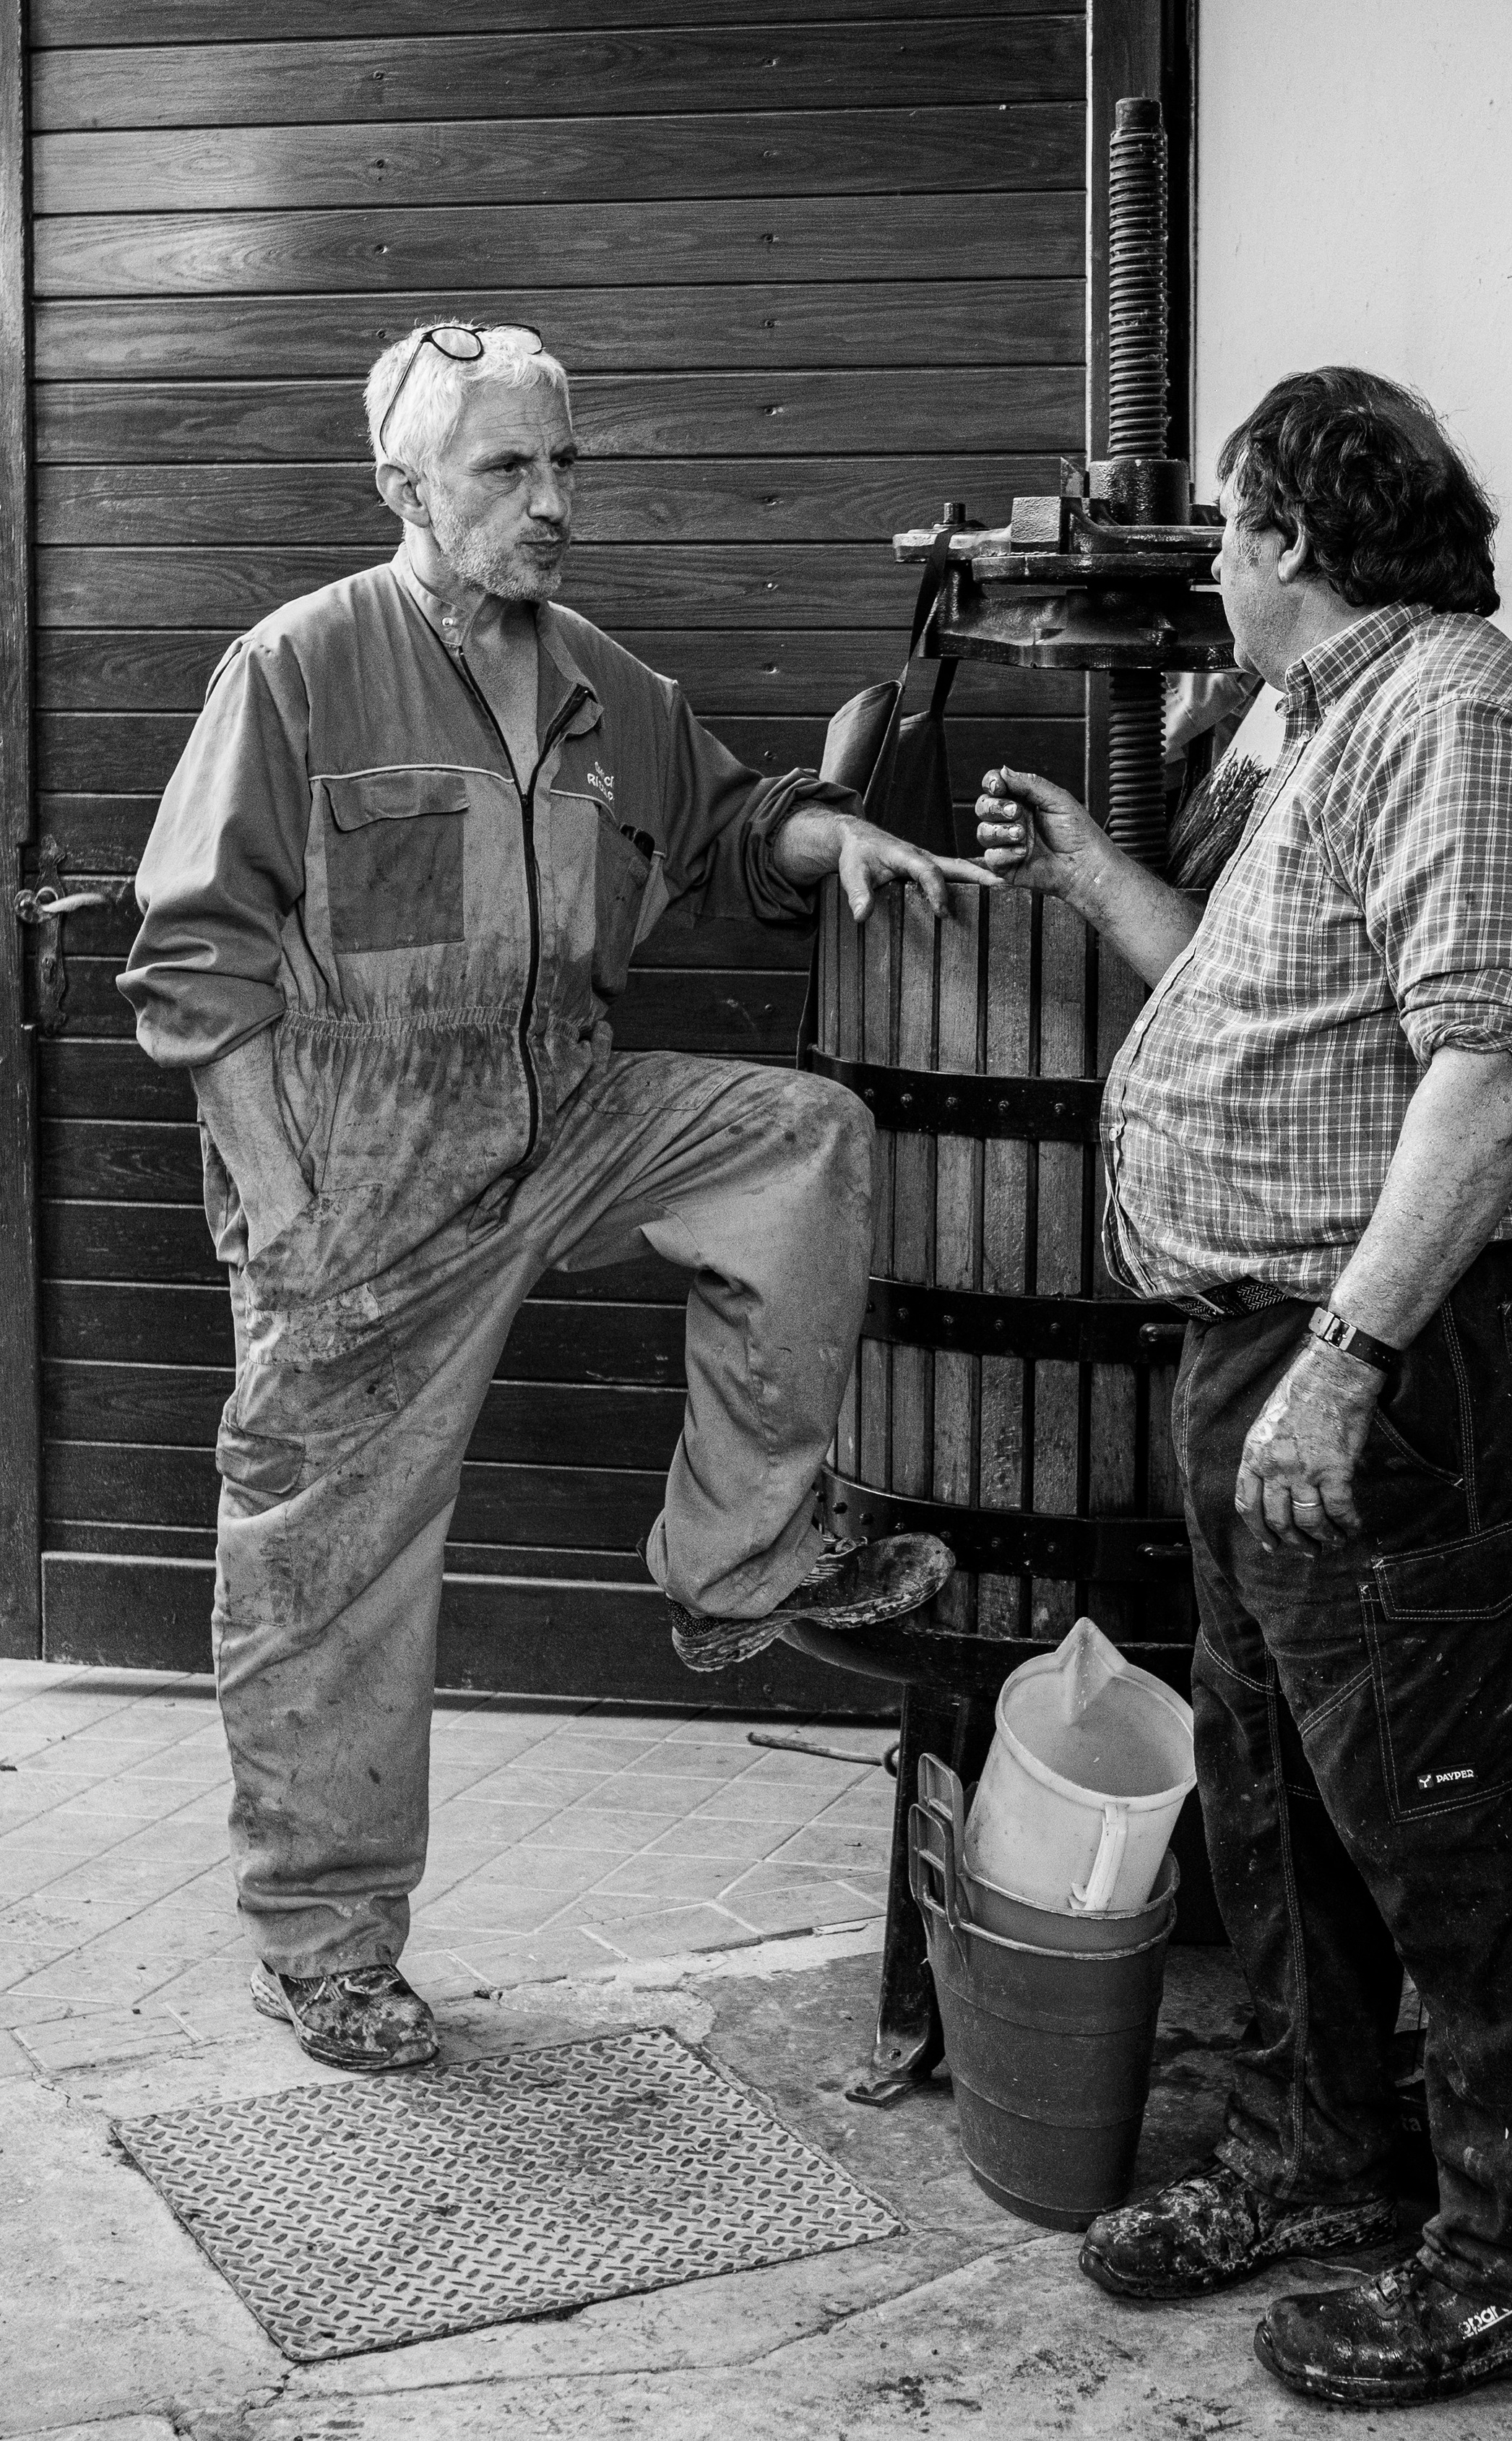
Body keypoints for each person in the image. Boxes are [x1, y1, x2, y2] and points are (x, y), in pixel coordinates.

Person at [120, 321, 976, 2074]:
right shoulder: (294, 672)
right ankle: (326, 1944)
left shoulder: (591, 680)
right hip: (360, 1187)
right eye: (507, 470)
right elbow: (193, 964)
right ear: (404, 488)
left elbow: (735, 822)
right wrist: (282, 1207)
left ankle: (736, 1551)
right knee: (331, 1583)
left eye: (564, 464)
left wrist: (839, 840)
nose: (550, 502)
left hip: (565, 1122)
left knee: (798, 1139)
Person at [975, 366, 1512, 2411]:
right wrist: (1097, 871)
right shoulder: (1337, 727)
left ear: (1280, 537)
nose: (1209, 571)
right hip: (1265, 1339)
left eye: (1225, 532)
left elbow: (1494, 1055)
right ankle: (1328, 2158)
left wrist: (1346, 1360)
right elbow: (1263, 1012)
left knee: (1453, 1804)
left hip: (1391, 1349)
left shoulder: (1454, 715)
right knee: (1291, 1794)